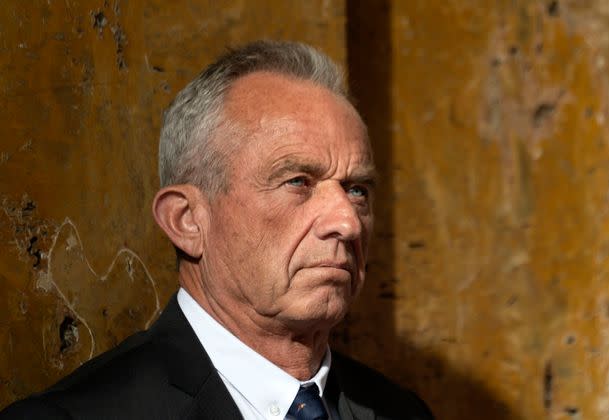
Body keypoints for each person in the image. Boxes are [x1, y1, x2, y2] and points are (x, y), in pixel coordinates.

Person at [0, 40, 433, 420]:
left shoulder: (401, 411)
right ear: (187, 220)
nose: (347, 221)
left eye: (357, 190)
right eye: (297, 182)